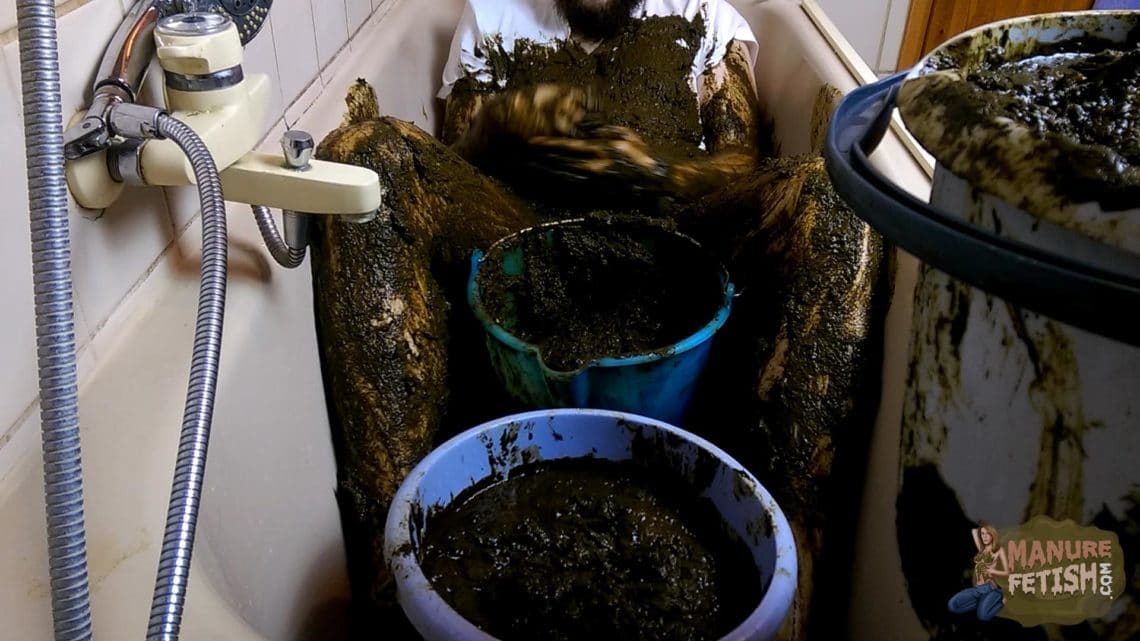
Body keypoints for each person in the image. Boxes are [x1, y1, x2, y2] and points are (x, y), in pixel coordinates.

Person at [309, 1, 891, 637]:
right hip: (519, 243)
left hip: (680, 246)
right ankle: (394, 579)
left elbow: (742, 166)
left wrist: (654, 171)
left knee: (835, 192)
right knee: (365, 155)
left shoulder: (703, 17)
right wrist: (496, 131)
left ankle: (791, 596)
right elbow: (451, 172)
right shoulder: (491, 19)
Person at [949, 524, 1011, 621]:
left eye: (987, 534)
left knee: (983, 616)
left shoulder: (999, 551)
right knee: (953, 605)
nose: (984, 536)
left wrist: (992, 570)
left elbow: (1007, 572)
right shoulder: (982, 549)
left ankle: (1001, 602)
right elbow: (974, 532)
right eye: (983, 534)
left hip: (991, 588)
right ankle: (980, 604)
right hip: (978, 588)